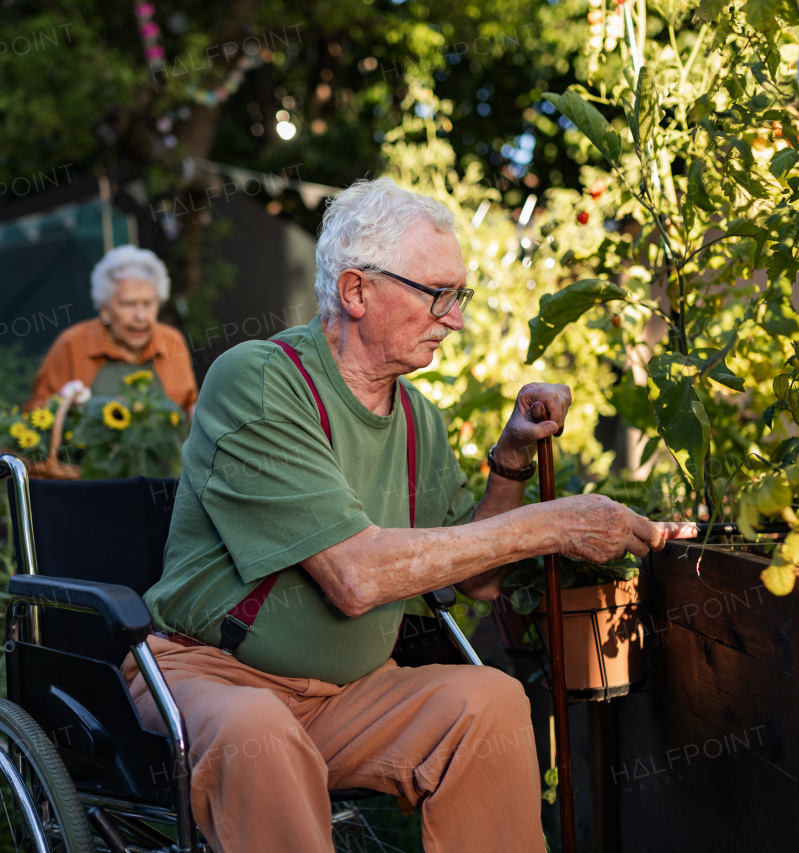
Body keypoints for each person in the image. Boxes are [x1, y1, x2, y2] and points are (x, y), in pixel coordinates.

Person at [120, 178, 692, 852]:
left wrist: (510, 458)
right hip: (213, 678)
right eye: (439, 295)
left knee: (492, 703)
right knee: (259, 733)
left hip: (351, 694)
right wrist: (554, 522)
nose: (456, 319)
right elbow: (354, 576)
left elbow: (478, 577)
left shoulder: (419, 418)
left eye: (461, 296)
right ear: (357, 291)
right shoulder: (261, 382)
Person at [26, 245, 197, 414]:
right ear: (104, 309)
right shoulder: (72, 343)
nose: (141, 316)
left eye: (148, 303)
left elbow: (191, 404)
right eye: (128, 304)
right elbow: (37, 409)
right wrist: (70, 409)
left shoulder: (172, 340)